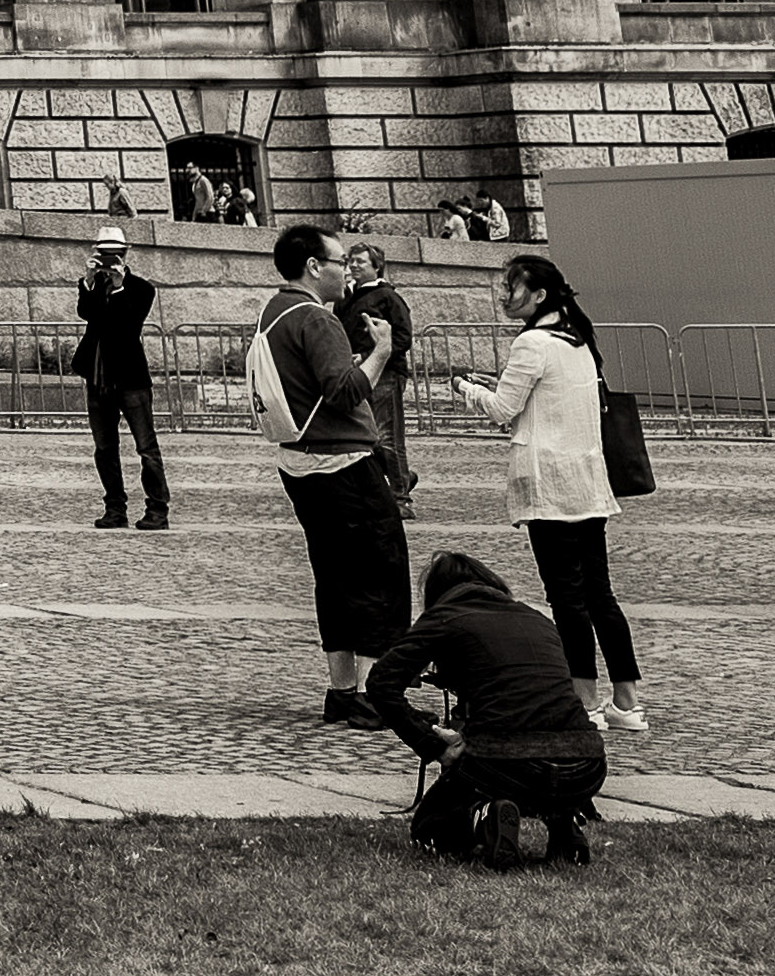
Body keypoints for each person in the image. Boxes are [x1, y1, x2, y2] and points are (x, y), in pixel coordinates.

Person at [464, 252, 639, 727]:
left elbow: (502, 409)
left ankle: (584, 700)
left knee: (567, 597)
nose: (505, 296)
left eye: (512, 287)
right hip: (586, 482)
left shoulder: (534, 343)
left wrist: (469, 391)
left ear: (539, 296)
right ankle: (626, 700)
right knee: (599, 593)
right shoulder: (577, 338)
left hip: (550, 484)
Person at [256, 222, 413, 722]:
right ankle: (371, 693)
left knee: (333, 575)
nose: (346, 270)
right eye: (340, 261)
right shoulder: (316, 320)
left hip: (300, 463)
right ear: (313, 266)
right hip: (342, 461)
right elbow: (344, 391)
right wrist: (381, 353)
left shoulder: (273, 310)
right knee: (377, 572)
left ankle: (342, 690)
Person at [368, 554, 606, 869]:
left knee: (430, 828)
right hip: (586, 765)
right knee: (542, 766)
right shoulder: (537, 619)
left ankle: (485, 818)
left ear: (437, 595)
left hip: (508, 765)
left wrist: (433, 744)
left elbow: (381, 683)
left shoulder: (445, 616)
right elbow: (541, 700)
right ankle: (565, 826)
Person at [78, 227, 173, 533]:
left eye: (114, 254)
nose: (109, 260)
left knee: (146, 447)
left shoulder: (142, 289)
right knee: (104, 448)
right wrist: (89, 282)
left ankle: (157, 509)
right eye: (104, 254)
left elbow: (128, 324)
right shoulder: (96, 286)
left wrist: (119, 288)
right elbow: (86, 313)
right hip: (98, 377)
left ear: (125, 254)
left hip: (131, 379)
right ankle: (114, 508)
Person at [336, 238, 420, 506]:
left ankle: (399, 497)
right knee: (366, 435)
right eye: (352, 261)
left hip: (386, 373)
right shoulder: (346, 298)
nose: (354, 266)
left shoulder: (388, 297)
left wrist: (374, 353)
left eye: (361, 261)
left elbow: (403, 337)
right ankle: (401, 478)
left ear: (377, 266)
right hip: (358, 374)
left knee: (387, 436)